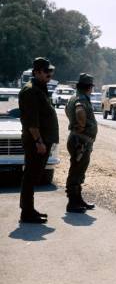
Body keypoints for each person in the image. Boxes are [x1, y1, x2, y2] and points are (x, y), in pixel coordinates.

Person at [18, 57, 59, 224]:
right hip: (36, 142)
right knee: (30, 176)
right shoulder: (30, 91)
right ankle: (26, 212)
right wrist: (39, 142)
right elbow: (31, 121)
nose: (50, 74)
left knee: (33, 176)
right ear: (37, 72)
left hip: (42, 141)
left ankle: (29, 209)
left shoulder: (40, 89)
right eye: (46, 71)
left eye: (51, 71)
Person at [64, 73, 98, 213]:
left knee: (78, 170)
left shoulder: (73, 97)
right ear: (89, 87)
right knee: (76, 171)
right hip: (81, 141)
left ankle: (78, 199)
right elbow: (79, 111)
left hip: (78, 139)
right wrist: (82, 126)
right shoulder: (81, 99)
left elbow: (67, 111)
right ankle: (72, 202)